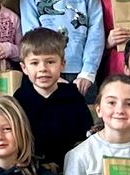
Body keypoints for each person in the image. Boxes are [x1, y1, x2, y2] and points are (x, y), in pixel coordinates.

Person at [13, 28, 93, 166]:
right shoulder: (19, 99)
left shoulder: (73, 96)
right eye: (34, 63)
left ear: (62, 64)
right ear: (24, 68)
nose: (43, 68)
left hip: (70, 168)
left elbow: (85, 136)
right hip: (31, 169)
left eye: (50, 62)